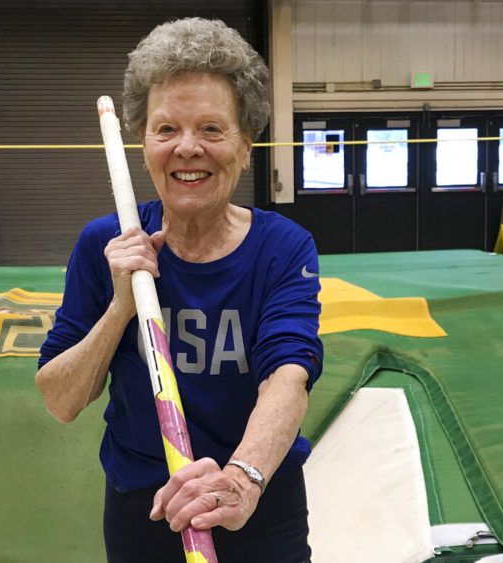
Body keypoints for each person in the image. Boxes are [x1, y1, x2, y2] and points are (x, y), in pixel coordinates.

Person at [36, 17, 323, 563]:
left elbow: (289, 373)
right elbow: (60, 399)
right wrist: (121, 305)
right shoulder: (107, 244)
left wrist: (242, 478)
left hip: (256, 499)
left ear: (245, 144)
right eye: (166, 129)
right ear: (144, 142)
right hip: (145, 505)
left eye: (212, 129)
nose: (187, 148)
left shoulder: (283, 247)